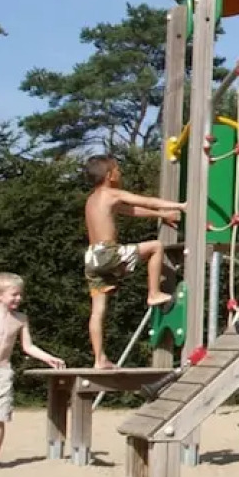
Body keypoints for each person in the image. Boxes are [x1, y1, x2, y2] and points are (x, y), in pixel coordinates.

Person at [83, 154, 185, 369]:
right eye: (118, 170)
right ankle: (154, 293)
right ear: (110, 175)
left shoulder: (93, 199)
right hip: (107, 253)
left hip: (92, 257)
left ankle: (99, 358)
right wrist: (180, 205)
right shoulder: (111, 193)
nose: (120, 173)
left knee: (98, 309)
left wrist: (161, 216)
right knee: (156, 247)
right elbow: (145, 200)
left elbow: (132, 210)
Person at [0, 273, 67, 464]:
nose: (18, 298)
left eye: (20, 294)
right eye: (14, 294)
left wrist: (48, 358)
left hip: (2, 373)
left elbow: (28, 347)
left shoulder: (20, 319)